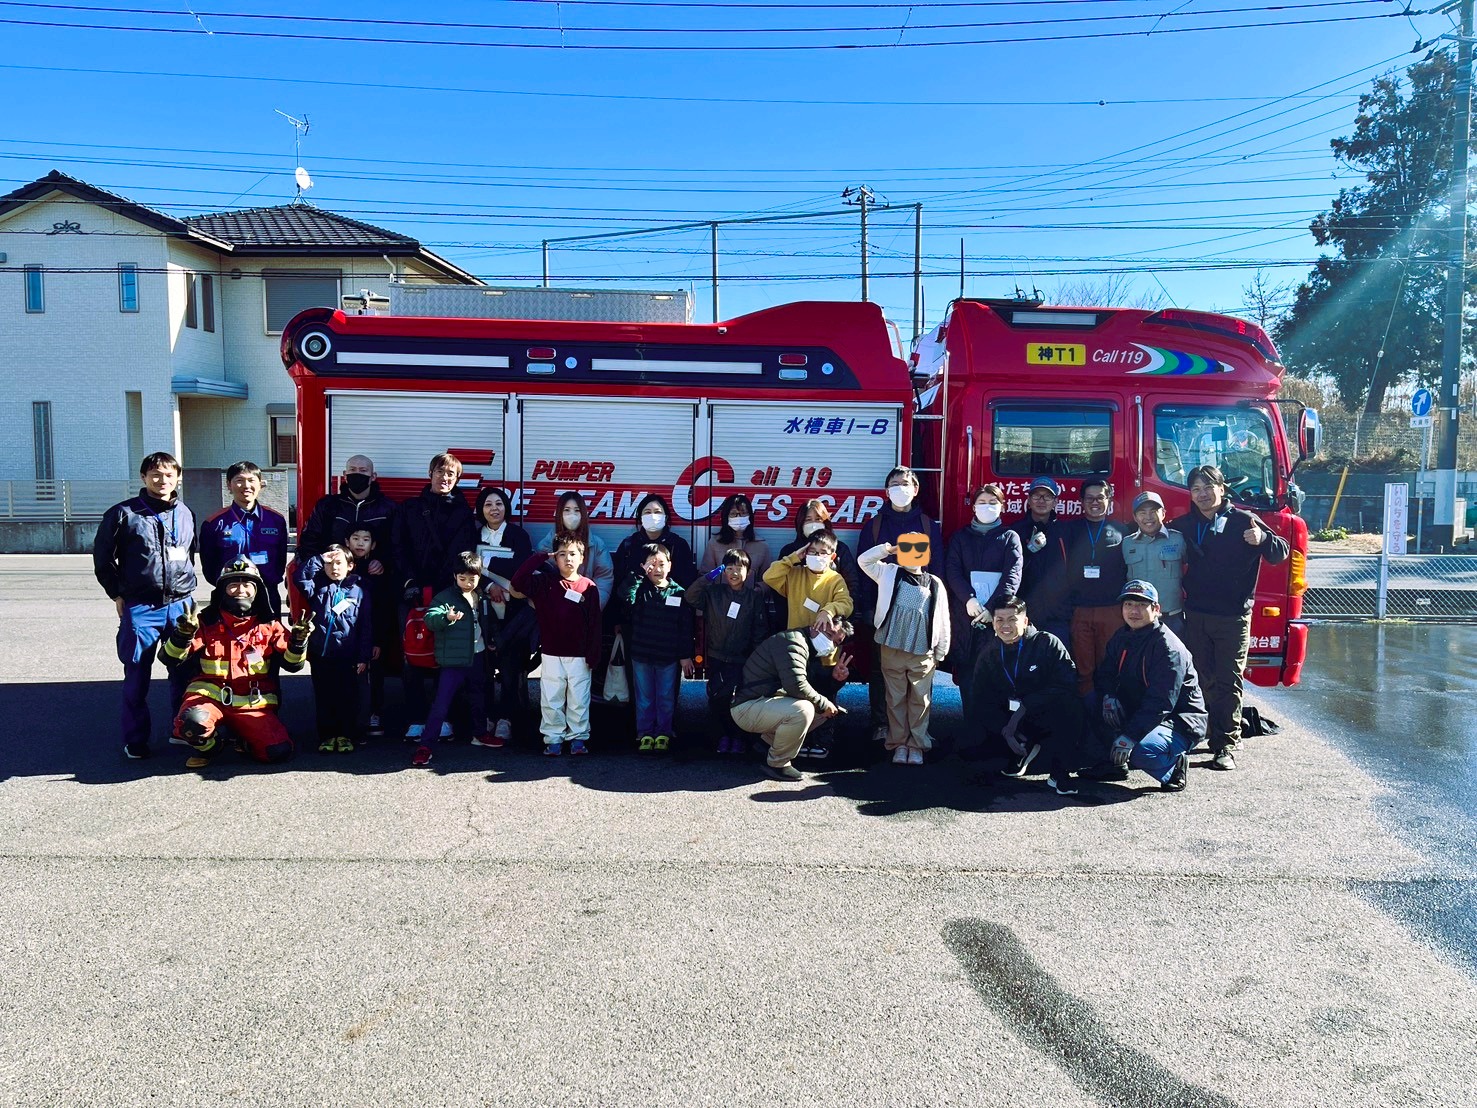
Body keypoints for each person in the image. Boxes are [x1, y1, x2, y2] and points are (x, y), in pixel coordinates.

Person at [1168, 464, 1289, 771]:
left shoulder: (1244, 520)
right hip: (1195, 614)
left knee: (1229, 680)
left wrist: (1262, 538)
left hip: (1233, 617)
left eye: (1208, 487)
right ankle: (1209, 730)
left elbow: (1281, 551)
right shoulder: (1184, 524)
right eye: (1196, 489)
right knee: (1202, 678)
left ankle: (1226, 745)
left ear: (1222, 489)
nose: (1202, 495)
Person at [92, 451, 199, 760]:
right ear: (143, 478)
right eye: (155, 474)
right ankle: (136, 738)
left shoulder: (185, 512)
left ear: (178, 477)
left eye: (168, 474)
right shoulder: (123, 514)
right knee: (137, 674)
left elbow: (189, 555)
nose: (161, 480)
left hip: (181, 606)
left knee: (184, 671)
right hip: (142, 607)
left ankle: (182, 729)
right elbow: (102, 558)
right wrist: (116, 593)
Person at [160, 558, 311, 769]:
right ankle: (213, 747)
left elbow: (294, 665)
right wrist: (181, 636)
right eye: (233, 584)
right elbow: (169, 658)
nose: (240, 590)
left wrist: (298, 642)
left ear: (257, 590)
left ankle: (245, 741)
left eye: (247, 585)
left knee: (278, 751)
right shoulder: (205, 622)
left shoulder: (270, 625)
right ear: (222, 590)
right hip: (209, 700)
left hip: (252, 705)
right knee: (191, 723)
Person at [392, 452, 480, 740]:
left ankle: (446, 719)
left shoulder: (464, 514)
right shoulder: (410, 509)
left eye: (451, 474)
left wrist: (448, 590)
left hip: (448, 593)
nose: (445, 478)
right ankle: (416, 717)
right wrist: (408, 582)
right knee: (413, 654)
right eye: (440, 472)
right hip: (412, 592)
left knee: (448, 656)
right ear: (430, 474)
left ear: (457, 480)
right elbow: (398, 547)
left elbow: (463, 554)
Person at [855, 466, 944, 742]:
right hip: (884, 614)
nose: (900, 488)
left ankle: (916, 733)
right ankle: (882, 725)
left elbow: (937, 569)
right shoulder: (875, 525)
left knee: (917, 678)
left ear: (916, 490)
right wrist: (868, 609)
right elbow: (863, 569)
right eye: (895, 484)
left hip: (918, 613)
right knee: (881, 673)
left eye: (905, 483)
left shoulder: (928, 525)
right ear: (886, 491)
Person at [1089, 580, 1203, 793]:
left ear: (1156, 609)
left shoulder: (1169, 649)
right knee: (1089, 706)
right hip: (1138, 709)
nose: (1134, 611)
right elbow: (1105, 674)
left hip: (1178, 720)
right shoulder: (1122, 636)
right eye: (1129, 604)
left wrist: (1129, 737)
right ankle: (1115, 765)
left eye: (1141, 605)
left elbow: (1161, 702)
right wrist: (1108, 697)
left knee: (1143, 751)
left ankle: (1174, 767)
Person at [971, 596, 1088, 796]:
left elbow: (1066, 684)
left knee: (1071, 708)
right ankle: (1022, 746)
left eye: (1012, 620)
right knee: (978, 731)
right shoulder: (988, 653)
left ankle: (1059, 773)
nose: (1005, 626)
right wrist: (1005, 730)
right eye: (1000, 620)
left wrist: (1027, 706)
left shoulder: (1047, 643)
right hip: (1010, 718)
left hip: (1044, 711)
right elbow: (982, 699)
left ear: (1025, 621)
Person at [858, 535, 951, 765]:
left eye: (919, 548)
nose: (913, 552)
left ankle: (917, 745)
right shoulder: (889, 572)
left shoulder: (935, 583)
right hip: (891, 646)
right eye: (908, 548)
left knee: (921, 699)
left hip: (922, 651)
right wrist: (888, 549)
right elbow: (864, 561)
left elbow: (943, 619)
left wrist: (941, 651)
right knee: (895, 698)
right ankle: (898, 743)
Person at [510, 536, 603, 756]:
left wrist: (593, 654)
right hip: (551, 653)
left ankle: (578, 738)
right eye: (561, 554)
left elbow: (595, 625)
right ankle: (553, 738)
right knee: (551, 698)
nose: (568, 558)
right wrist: (540, 558)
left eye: (573, 554)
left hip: (580, 656)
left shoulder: (588, 587)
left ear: (582, 558)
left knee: (579, 699)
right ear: (555, 558)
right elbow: (517, 582)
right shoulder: (544, 583)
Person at [731, 620, 853, 782]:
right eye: (829, 635)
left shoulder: (806, 645)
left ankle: (765, 743)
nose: (831, 643)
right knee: (804, 710)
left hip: (761, 702)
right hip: (746, 707)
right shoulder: (793, 642)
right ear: (815, 627)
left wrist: (835, 679)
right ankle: (778, 763)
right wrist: (824, 704)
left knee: (824, 713)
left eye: (836, 642)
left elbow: (812, 686)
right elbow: (796, 685)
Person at [410, 552, 499, 767]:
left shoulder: (481, 597)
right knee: (441, 704)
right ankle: (426, 745)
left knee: (479, 698)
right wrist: (446, 618)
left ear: (479, 576)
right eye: (462, 578)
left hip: (477, 656)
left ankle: (480, 733)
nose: (467, 583)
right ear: (454, 576)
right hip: (452, 661)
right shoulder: (446, 597)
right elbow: (430, 619)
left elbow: (488, 622)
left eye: (472, 578)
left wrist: (492, 639)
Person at [943, 484, 1024, 716]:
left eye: (993, 502)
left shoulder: (1010, 537)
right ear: (973, 507)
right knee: (967, 678)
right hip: (964, 617)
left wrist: (992, 609)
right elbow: (953, 571)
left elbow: (1012, 576)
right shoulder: (960, 537)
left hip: (997, 620)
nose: (987, 507)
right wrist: (968, 600)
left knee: (996, 678)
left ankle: (996, 736)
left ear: (1002, 506)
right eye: (982, 502)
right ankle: (972, 732)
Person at [685, 549, 768, 754]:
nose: (734, 572)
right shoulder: (714, 593)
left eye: (739, 568)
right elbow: (690, 596)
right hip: (717, 656)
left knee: (740, 700)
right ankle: (721, 737)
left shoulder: (753, 598)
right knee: (717, 698)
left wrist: (757, 661)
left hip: (742, 659)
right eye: (729, 568)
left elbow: (759, 630)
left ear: (748, 572)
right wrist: (709, 577)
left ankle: (738, 737)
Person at [618, 543, 696, 753]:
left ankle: (663, 732)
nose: (657, 569)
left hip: (668, 657)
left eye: (662, 563)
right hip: (641, 655)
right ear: (644, 566)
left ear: (670, 566)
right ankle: (644, 733)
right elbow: (626, 598)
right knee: (644, 699)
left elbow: (685, 628)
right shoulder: (640, 588)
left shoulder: (679, 593)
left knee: (665, 698)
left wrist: (685, 656)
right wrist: (637, 575)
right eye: (652, 564)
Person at [296, 544, 372, 755]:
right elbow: (299, 577)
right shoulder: (317, 586)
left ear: (350, 566)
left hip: (348, 655)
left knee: (348, 697)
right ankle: (328, 736)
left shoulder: (360, 590)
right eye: (329, 564)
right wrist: (320, 557)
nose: (334, 568)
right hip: (322, 654)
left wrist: (363, 656)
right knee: (325, 697)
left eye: (339, 563)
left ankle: (346, 735)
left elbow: (365, 625)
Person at [474, 485, 535, 746]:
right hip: (483, 610)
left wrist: (485, 563)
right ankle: (486, 717)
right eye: (488, 504)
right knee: (485, 668)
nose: (494, 509)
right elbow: (466, 569)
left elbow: (522, 567)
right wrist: (488, 585)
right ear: (481, 509)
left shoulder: (519, 535)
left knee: (510, 667)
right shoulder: (472, 535)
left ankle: (506, 719)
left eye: (498, 503)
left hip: (515, 612)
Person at [1060, 479, 1127, 695]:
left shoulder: (1122, 530)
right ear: (1081, 501)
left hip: (1112, 610)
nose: (1095, 502)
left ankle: (1108, 720)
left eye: (1100, 497)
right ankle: (1085, 721)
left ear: (1109, 500)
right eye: (1089, 498)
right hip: (1080, 610)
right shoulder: (1069, 530)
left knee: (1109, 667)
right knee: (1083, 670)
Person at [199, 460, 289, 618]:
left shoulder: (276, 520)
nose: (246, 486)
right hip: (230, 596)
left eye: (251, 480)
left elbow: (281, 559)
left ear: (260, 484)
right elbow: (209, 565)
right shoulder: (214, 523)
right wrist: (231, 587)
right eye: (239, 480)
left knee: (271, 640)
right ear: (229, 485)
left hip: (268, 594)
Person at [296, 454, 397, 560]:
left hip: (373, 574)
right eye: (352, 470)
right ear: (345, 475)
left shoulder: (389, 508)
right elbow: (309, 540)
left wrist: (382, 562)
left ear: (373, 477)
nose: (357, 474)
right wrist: (322, 564)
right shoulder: (327, 505)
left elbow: (396, 544)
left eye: (363, 470)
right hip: (333, 571)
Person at [1007, 477, 1071, 645]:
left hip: (1058, 614)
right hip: (1024, 612)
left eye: (1047, 496)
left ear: (1056, 501)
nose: (1041, 501)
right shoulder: (1014, 531)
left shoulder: (1066, 531)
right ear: (1028, 500)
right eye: (1036, 496)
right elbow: (1009, 570)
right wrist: (1028, 552)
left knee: (1058, 663)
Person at [344, 526, 394, 737]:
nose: (360, 543)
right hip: (346, 636)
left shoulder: (379, 572)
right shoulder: (339, 568)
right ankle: (351, 717)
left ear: (373, 545)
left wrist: (379, 642)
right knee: (348, 677)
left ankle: (375, 713)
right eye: (355, 538)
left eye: (366, 539)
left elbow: (383, 612)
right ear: (347, 542)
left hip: (372, 636)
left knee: (375, 677)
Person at [762, 527, 854, 636]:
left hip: (823, 639)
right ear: (805, 553)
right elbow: (769, 577)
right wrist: (793, 558)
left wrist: (829, 611)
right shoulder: (794, 574)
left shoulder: (835, 579)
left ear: (832, 557)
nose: (817, 556)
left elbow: (846, 603)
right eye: (813, 551)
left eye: (823, 552)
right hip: (795, 637)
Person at [1121, 491, 1188, 635]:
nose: (1148, 517)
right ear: (1135, 517)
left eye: (1153, 511)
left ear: (1163, 513)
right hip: (1139, 619)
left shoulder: (1179, 539)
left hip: (1172, 619)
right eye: (1142, 512)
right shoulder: (1126, 543)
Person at [778, 499, 861, 602]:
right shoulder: (789, 551)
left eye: (818, 519)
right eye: (808, 520)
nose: (813, 524)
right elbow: (777, 586)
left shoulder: (840, 549)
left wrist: (839, 613)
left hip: (830, 615)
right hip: (797, 616)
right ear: (800, 523)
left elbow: (852, 586)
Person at [612, 493, 698, 588]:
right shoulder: (628, 544)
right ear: (641, 517)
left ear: (666, 517)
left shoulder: (678, 545)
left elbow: (687, 581)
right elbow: (617, 580)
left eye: (657, 512)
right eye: (647, 512)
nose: (653, 516)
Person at [699, 492, 773, 581]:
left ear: (750, 516)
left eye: (743, 513)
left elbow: (768, 579)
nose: (739, 517)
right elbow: (705, 576)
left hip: (750, 594)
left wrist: (758, 590)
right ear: (726, 517)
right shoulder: (715, 543)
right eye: (733, 514)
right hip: (720, 594)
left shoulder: (762, 546)